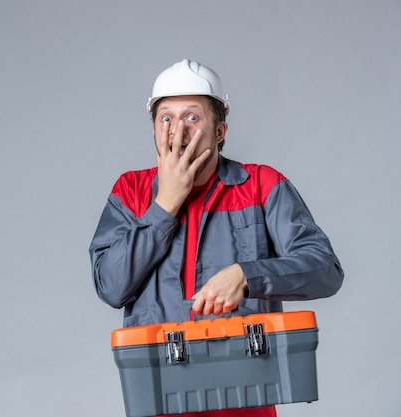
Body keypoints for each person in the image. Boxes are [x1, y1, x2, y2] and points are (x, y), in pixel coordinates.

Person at [88, 59, 344, 417]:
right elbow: (111, 286)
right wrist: (165, 205)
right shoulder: (131, 191)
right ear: (154, 130)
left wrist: (246, 275)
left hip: (246, 398)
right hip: (161, 397)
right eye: (166, 117)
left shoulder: (260, 186)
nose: (177, 130)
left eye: (193, 117)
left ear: (220, 130)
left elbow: (325, 269)